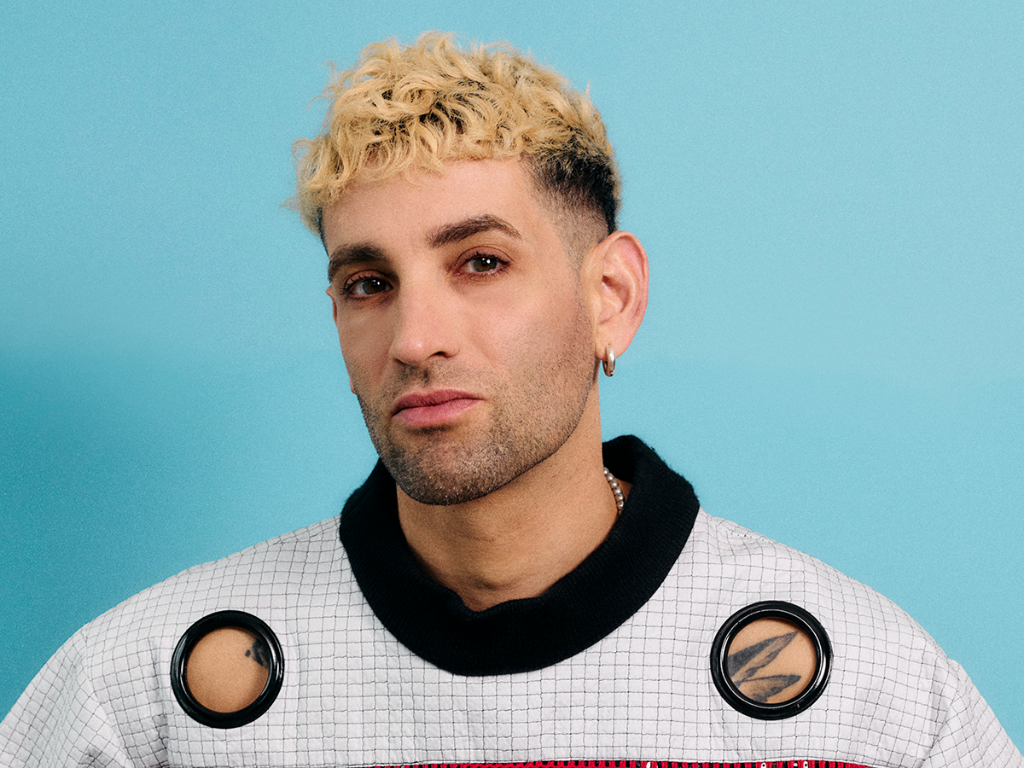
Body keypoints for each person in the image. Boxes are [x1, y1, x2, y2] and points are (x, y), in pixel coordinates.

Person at [1, 32, 1020, 768]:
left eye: (480, 262)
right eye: (369, 283)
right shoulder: (139, 697)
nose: (414, 339)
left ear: (610, 297)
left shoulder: (868, 697)